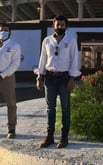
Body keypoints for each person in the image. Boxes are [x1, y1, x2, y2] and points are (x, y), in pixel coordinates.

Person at [36, 15, 81, 149]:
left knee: (66, 108)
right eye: (57, 24)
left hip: (65, 78)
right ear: (53, 26)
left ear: (66, 26)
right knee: (50, 109)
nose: (60, 27)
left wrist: (72, 79)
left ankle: (64, 137)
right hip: (49, 78)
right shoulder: (47, 41)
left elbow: (74, 60)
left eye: (62, 24)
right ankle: (49, 137)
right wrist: (40, 76)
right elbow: (42, 59)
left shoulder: (71, 41)